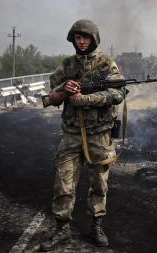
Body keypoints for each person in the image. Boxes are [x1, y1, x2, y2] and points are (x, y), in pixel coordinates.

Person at [40, 19, 126, 251]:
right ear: (73, 39)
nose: (81, 41)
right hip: (71, 134)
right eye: (77, 37)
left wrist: (84, 99)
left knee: (99, 184)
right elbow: (52, 91)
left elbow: (118, 94)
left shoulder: (106, 64)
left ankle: (96, 226)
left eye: (85, 37)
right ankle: (62, 229)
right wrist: (65, 89)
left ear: (93, 39)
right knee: (63, 183)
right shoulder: (67, 64)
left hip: (99, 134)